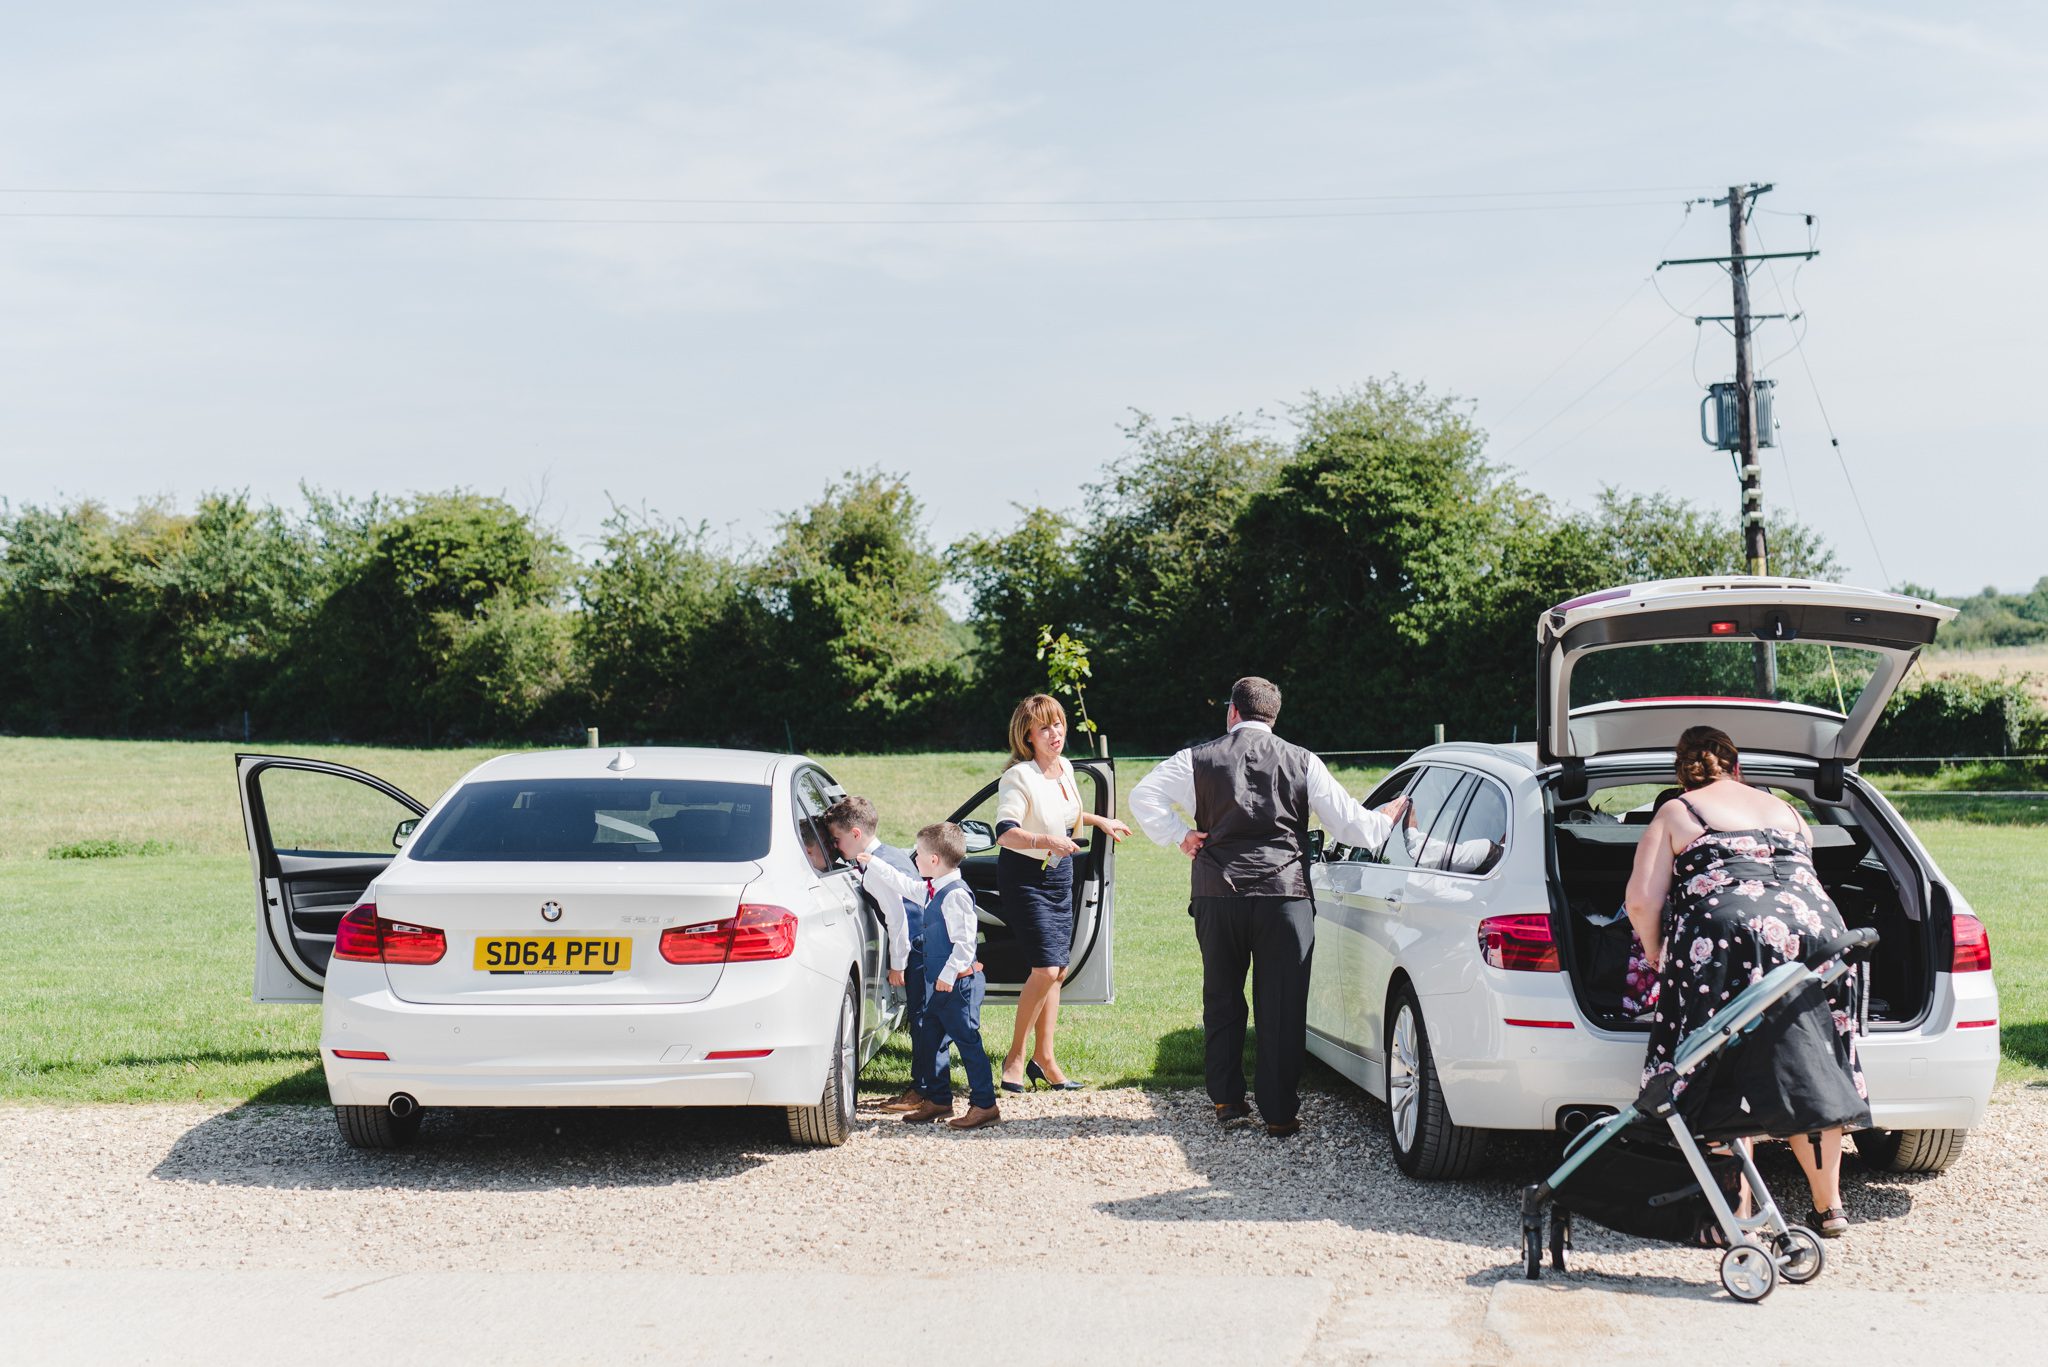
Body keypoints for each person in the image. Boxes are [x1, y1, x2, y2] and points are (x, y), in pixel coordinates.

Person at [1129, 676, 1413, 1138]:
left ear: (1232, 713)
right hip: (1285, 895)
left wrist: (1178, 834)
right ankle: (1279, 1111)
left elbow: (1144, 795)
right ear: (1273, 717)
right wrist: (1388, 815)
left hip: (1218, 893)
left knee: (1222, 996)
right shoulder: (1303, 760)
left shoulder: (1197, 759)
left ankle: (1226, 1099)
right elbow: (1351, 826)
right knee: (1281, 1004)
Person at [1623, 725, 1870, 1238]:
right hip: (1821, 938)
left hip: (1729, 940)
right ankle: (1829, 1208)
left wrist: (1655, 952)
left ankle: (1735, 1212)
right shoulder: (1786, 810)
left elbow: (1642, 900)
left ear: (1684, 773)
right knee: (1810, 1062)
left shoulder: (1678, 811)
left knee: (1718, 1061)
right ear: (1738, 767)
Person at [993, 693, 1131, 1093]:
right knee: (1046, 969)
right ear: (1028, 736)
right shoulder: (1019, 777)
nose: (1055, 734)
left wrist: (1099, 820)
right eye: (1045, 728)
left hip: (1059, 876)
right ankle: (1015, 1057)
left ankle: (1045, 1059)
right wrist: (1046, 842)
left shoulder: (1066, 768)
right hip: (1025, 877)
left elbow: (1066, 814)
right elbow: (1005, 832)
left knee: (1059, 971)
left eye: (1058, 724)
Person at [856, 821, 1003, 1130]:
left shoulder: (955, 895)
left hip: (957, 985)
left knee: (968, 1043)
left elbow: (965, 943)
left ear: (934, 859)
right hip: (942, 986)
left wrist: (948, 975)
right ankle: (938, 1099)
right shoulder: (932, 888)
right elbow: (905, 885)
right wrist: (876, 864)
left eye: (918, 853)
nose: (915, 858)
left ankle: (985, 1105)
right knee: (931, 1038)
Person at [821, 795, 945, 1114]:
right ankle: (927, 1086)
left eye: (837, 839)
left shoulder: (877, 870)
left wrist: (898, 964)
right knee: (925, 1015)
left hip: (919, 947)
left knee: (921, 1017)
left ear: (855, 835)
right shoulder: (894, 854)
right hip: (932, 942)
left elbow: (899, 918)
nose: (835, 847)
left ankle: (925, 1090)